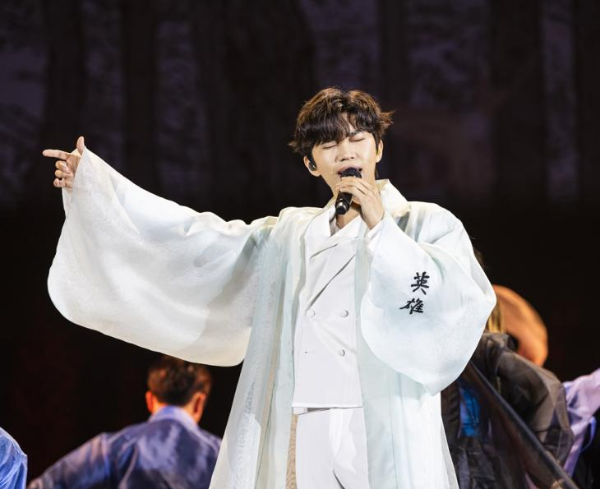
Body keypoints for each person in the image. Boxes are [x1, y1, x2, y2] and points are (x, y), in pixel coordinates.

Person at [44, 88, 496, 488]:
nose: (345, 152)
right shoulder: (290, 236)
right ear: (311, 163)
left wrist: (382, 231)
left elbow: (453, 305)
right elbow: (194, 239)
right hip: (304, 421)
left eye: (358, 139)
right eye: (329, 144)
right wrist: (97, 189)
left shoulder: (423, 223)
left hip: (381, 419)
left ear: (378, 147)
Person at [28, 356, 221, 489]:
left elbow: (46, 485)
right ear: (199, 402)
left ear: (150, 399)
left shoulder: (116, 446)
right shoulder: (220, 456)